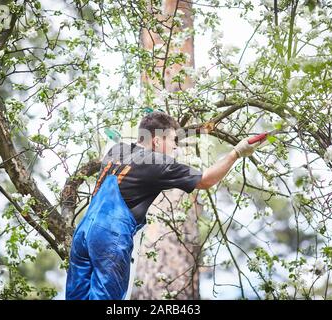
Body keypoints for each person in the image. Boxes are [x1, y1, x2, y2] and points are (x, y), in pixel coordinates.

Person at [65, 112, 264, 300]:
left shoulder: (115, 150)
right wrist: (235, 153)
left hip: (83, 233)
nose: (175, 148)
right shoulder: (157, 163)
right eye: (172, 141)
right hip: (110, 237)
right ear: (157, 141)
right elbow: (205, 180)